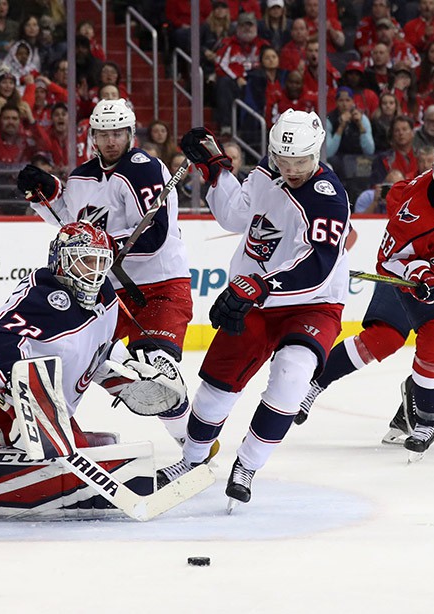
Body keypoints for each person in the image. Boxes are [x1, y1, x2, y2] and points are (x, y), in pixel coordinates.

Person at [0, 222, 187, 522]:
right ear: (61, 260)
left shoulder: (106, 297)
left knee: (101, 447)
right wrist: (21, 393)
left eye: (101, 262)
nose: (94, 272)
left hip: (44, 404)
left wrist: (128, 378)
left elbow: (97, 352)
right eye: (85, 261)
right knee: (71, 459)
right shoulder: (44, 296)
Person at [158, 110, 350, 509]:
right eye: (284, 159)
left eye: (300, 161)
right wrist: (215, 171)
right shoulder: (267, 173)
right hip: (256, 299)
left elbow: (315, 268)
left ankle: (247, 465)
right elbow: (235, 215)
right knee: (216, 388)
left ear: (316, 153)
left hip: (312, 304)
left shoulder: (328, 197)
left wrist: (259, 285)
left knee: (293, 377)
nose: (292, 169)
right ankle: (192, 460)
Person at [295, 136, 434, 457]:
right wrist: (419, 273)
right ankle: (315, 383)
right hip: (413, 274)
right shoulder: (415, 210)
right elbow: (391, 256)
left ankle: (417, 402)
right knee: (386, 337)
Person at [16, 98, 195, 446]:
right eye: (103, 134)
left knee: (158, 370)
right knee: (80, 357)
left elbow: (153, 237)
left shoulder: (144, 168)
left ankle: (190, 444)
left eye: (117, 133)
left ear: (129, 134)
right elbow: (72, 225)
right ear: (93, 137)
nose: (111, 141)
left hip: (160, 285)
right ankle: (61, 435)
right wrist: (45, 193)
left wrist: (100, 245)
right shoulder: (82, 176)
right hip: (107, 292)